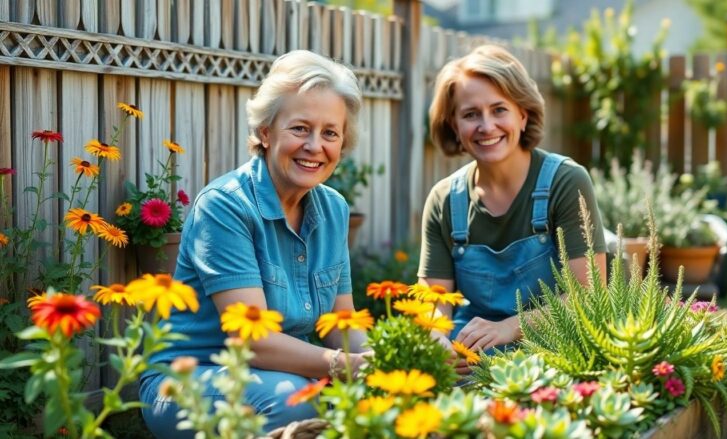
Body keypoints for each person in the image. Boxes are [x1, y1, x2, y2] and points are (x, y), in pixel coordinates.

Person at [139, 50, 369, 436]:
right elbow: (252, 343)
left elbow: (339, 327)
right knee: (290, 398)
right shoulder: (225, 206)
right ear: (266, 132)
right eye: (300, 128)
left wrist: (393, 357)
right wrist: (348, 366)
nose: (315, 146)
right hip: (189, 381)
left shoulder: (334, 209)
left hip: (278, 376)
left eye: (330, 132)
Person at [419, 45, 607, 372]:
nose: (486, 126)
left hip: (557, 356)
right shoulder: (445, 200)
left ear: (523, 114)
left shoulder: (566, 182)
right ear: (454, 126)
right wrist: (437, 339)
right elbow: (434, 303)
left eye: (499, 110)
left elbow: (589, 298)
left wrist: (508, 327)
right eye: (470, 114)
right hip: (470, 360)